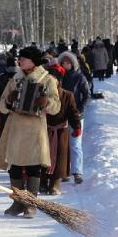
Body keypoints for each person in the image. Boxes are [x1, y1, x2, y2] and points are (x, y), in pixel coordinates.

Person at [0, 46, 61, 218]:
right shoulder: (14, 80)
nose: (20, 61)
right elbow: (1, 106)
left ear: (33, 61)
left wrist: (46, 103)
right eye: (20, 58)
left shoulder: (48, 80)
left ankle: (31, 204)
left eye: (23, 58)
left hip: (35, 129)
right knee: (14, 166)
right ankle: (17, 203)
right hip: (15, 127)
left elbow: (56, 107)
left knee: (33, 166)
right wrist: (8, 101)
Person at [40, 65, 81, 195]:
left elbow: (73, 113)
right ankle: (42, 182)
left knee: (59, 158)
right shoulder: (41, 95)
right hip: (43, 131)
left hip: (60, 132)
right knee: (42, 157)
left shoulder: (67, 95)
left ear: (59, 80)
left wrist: (77, 127)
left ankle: (55, 183)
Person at [57, 51, 90, 184]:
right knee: (62, 145)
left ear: (73, 63)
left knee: (75, 144)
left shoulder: (79, 77)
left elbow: (87, 94)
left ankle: (77, 172)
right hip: (60, 115)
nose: (66, 64)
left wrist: (80, 109)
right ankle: (63, 172)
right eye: (63, 62)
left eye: (68, 62)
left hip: (76, 116)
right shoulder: (58, 77)